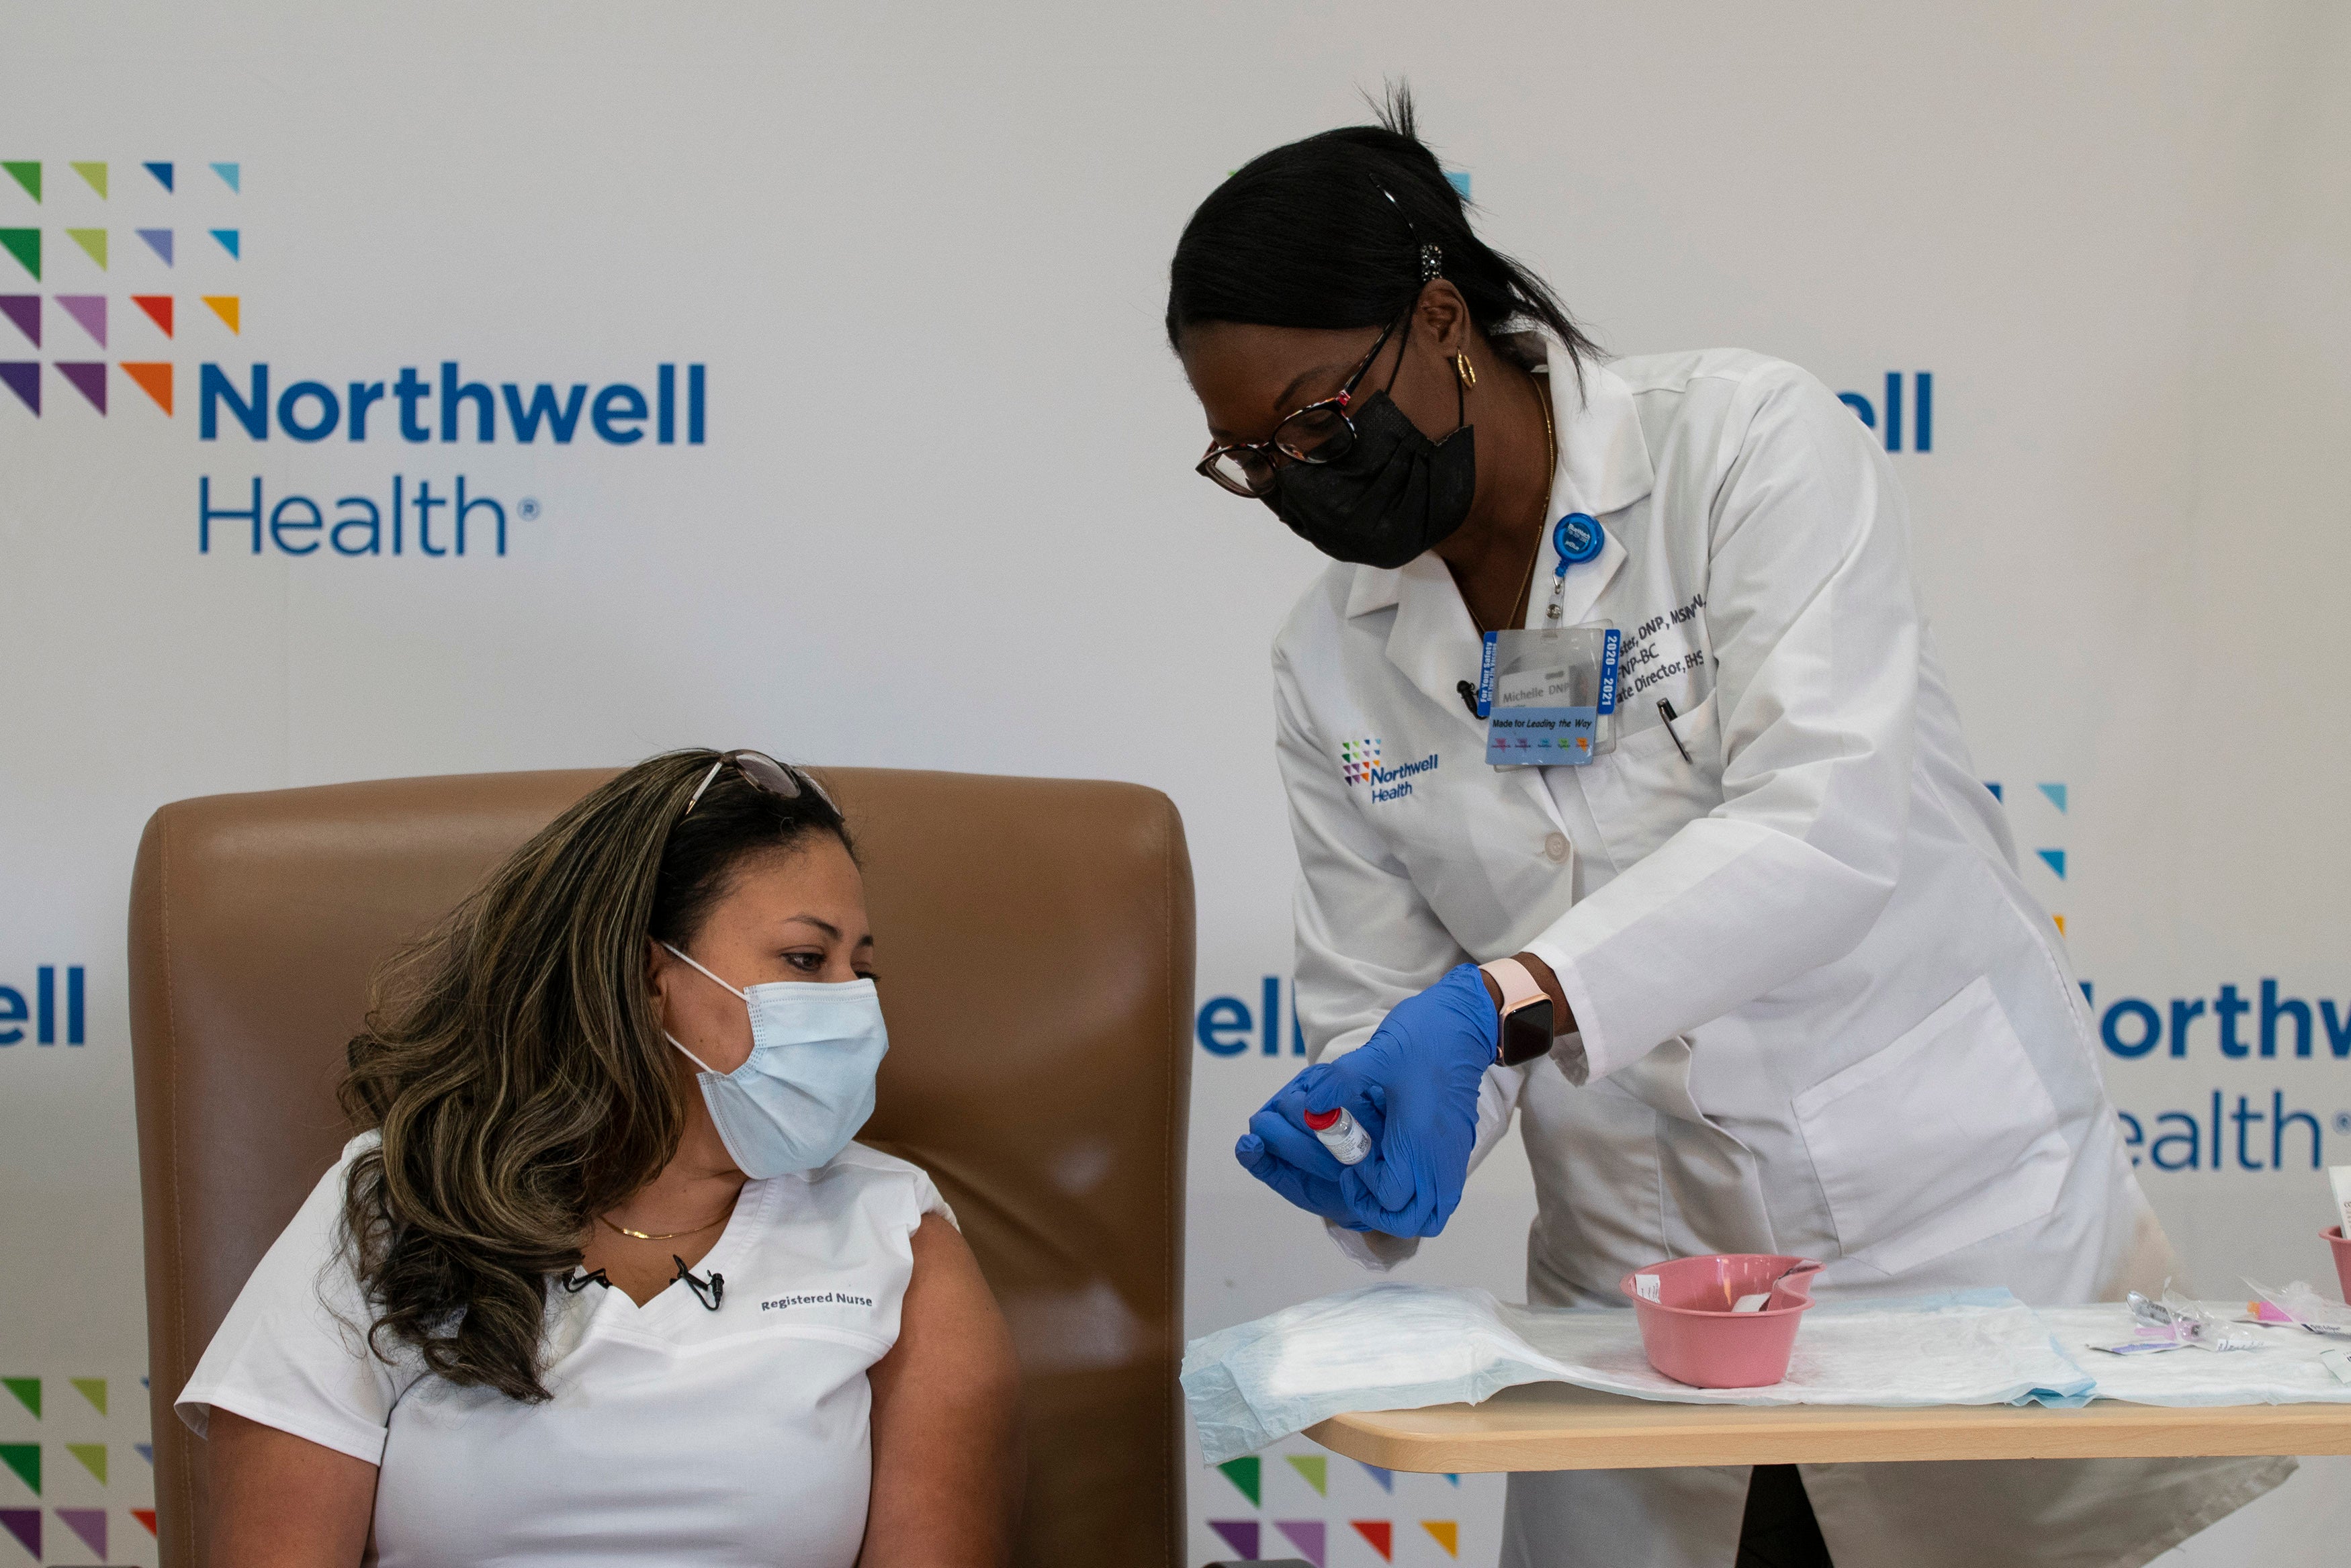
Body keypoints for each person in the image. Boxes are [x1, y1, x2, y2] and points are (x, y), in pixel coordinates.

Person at [1167, 93, 2290, 1568]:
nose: (1298, 475)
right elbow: (1399, 1006)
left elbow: (1820, 822)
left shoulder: (1743, 448)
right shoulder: (1333, 660)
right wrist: (1366, 1125)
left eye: (1315, 417)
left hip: (1935, 1242)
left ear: (1439, 318)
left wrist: (1503, 1005)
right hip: (1632, 1300)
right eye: (1251, 455)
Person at [177, 749, 1022, 1567]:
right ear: (648, 975)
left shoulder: (896, 1234)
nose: (850, 1006)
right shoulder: (398, 1204)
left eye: (860, 970)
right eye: (805, 960)